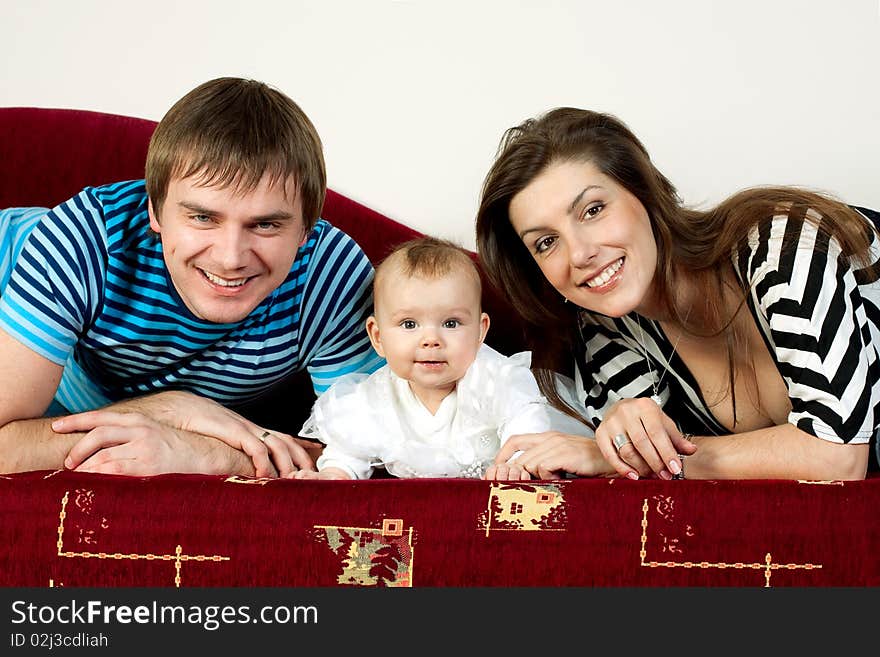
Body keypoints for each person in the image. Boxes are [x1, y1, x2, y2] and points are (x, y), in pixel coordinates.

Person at [0, 77, 384, 478]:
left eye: (266, 225)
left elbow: (371, 455)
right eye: (203, 217)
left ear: (307, 228)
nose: (230, 257)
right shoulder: (82, 241)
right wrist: (169, 409)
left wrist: (208, 454)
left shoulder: (329, 275)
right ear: (155, 211)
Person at [476, 107, 879, 481]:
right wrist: (627, 443)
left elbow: (839, 455)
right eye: (546, 242)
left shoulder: (783, 246)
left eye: (593, 210)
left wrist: (616, 458)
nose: (579, 254)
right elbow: (654, 468)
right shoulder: (607, 331)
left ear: (646, 195)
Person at [292, 237, 589, 481]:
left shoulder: (495, 378)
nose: (431, 339)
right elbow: (350, 450)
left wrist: (516, 463)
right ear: (378, 337)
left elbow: (524, 422)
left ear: (480, 331)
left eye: (450, 323)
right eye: (409, 324)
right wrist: (335, 474)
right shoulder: (372, 398)